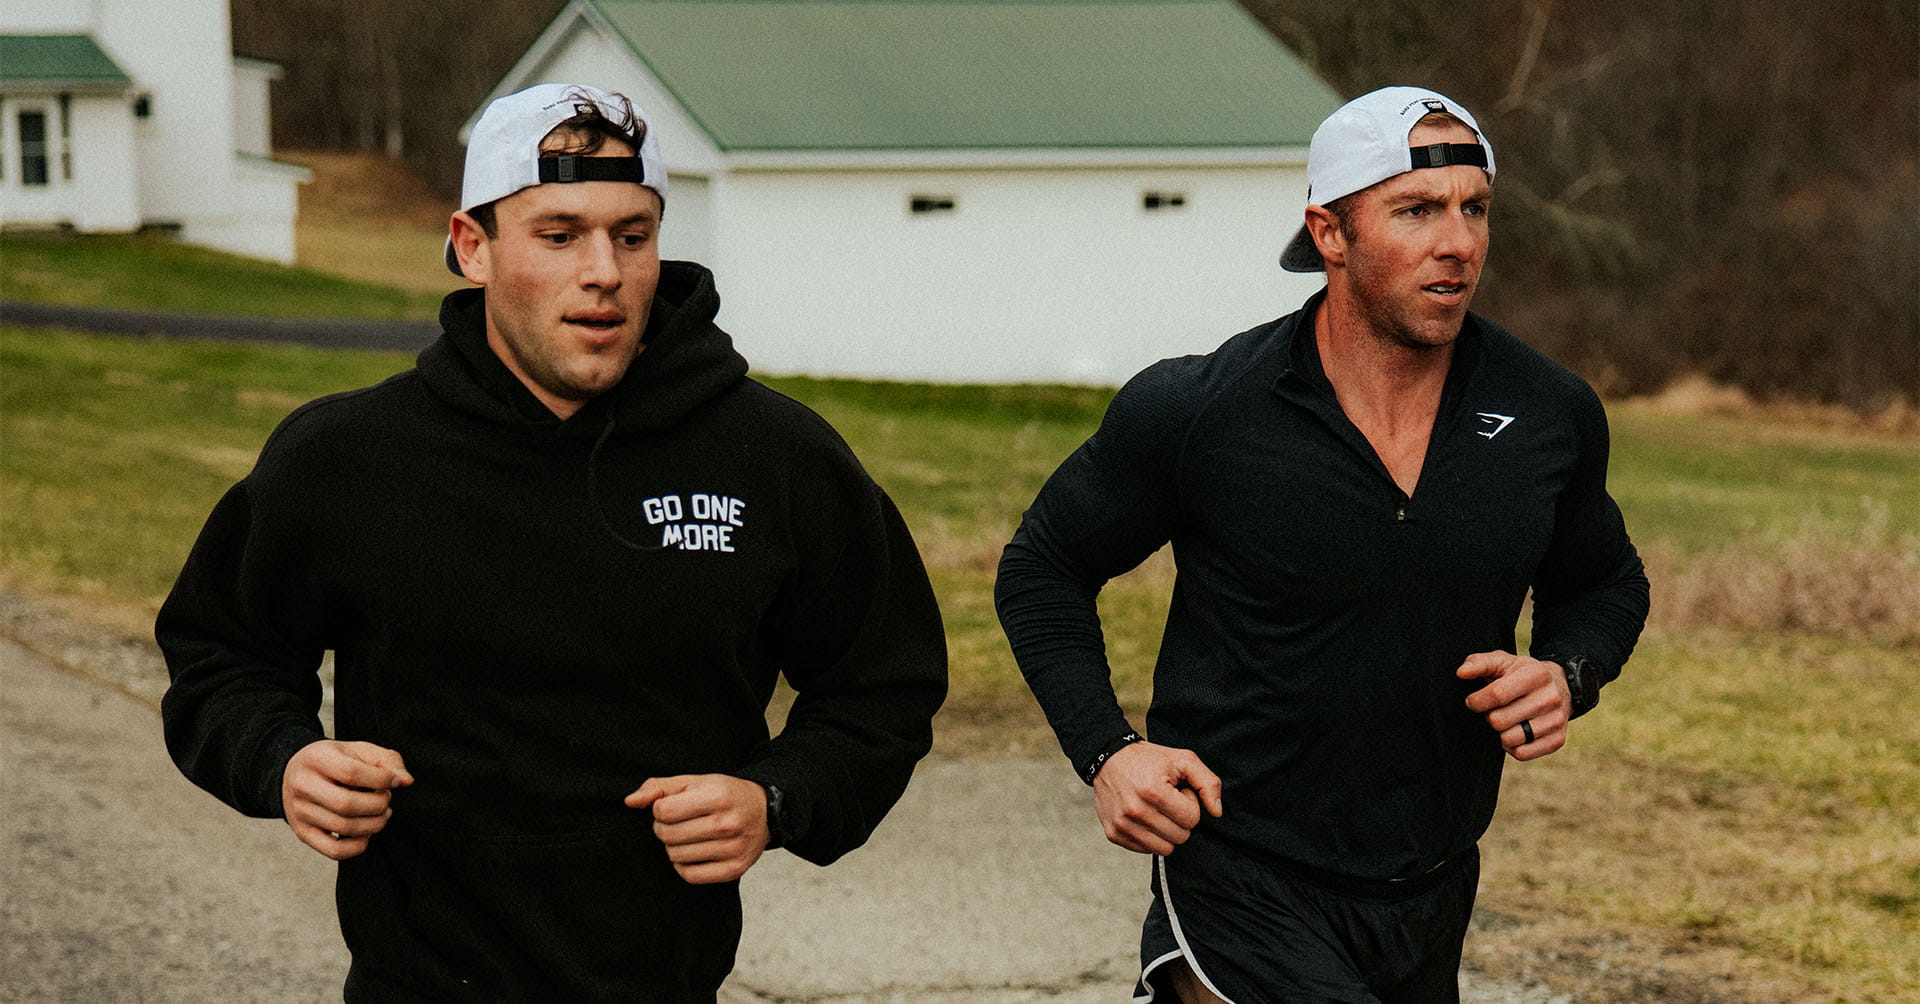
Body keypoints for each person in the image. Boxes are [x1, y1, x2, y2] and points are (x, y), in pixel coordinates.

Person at [158, 83, 947, 1002]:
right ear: (473, 247)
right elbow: (223, 654)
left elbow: (881, 684)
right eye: (560, 235)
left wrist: (777, 798)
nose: (604, 271)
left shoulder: (774, 457)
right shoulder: (348, 457)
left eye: (632, 235)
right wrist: (285, 760)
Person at [995, 85, 1649, 1003]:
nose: (1457, 242)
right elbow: (1043, 567)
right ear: (1330, 234)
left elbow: (1605, 581)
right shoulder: (1204, 410)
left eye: (1474, 209)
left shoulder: (1548, 412)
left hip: (1429, 883)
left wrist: (1567, 673)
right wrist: (1109, 751)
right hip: (1237, 872)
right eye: (1416, 210)